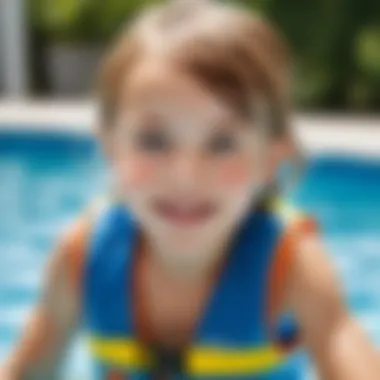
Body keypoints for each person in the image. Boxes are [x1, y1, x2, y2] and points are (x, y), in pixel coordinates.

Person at [2, 1, 380, 379]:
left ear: (272, 158)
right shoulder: (82, 256)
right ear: (110, 148)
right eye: (153, 141)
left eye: (222, 144)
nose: (185, 176)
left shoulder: (291, 267)